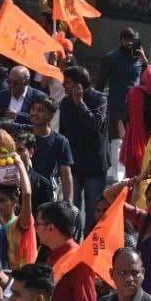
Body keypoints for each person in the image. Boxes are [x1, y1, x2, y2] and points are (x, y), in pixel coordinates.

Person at [34, 201, 97, 301]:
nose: (35, 229)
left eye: (37, 224)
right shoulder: (52, 254)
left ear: (50, 227)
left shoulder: (79, 260)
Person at [59, 66, 110, 224]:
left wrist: (80, 103)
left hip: (94, 166)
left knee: (93, 212)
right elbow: (63, 133)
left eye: (67, 83)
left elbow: (95, 124)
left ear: (79, 84)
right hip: (73, 165)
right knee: (71, 211)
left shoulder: (100, 99)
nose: (63, 86)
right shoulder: (65, 103)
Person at [96, 28, 146, 181]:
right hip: (116, 103)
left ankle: (127, 170)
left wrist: (144, 60)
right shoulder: (111, 58)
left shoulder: (140, 59)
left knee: (132, 139)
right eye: (126, 39)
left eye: (133, 39)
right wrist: (97, 101)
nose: (130, 42)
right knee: (117, 139)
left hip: (135, 105)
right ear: (121, 40)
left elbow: (150, 78)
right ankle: (116, 171)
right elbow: (100, 81)